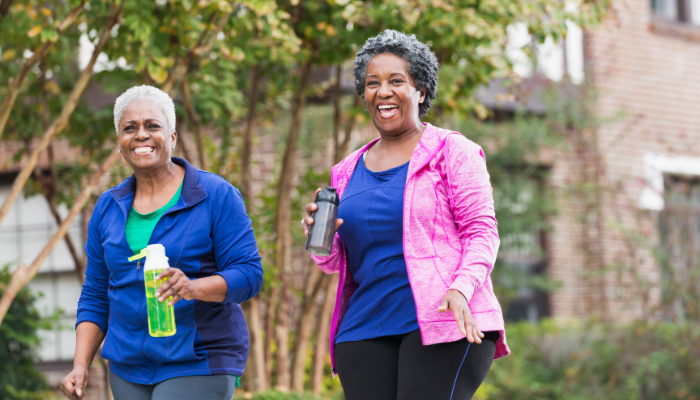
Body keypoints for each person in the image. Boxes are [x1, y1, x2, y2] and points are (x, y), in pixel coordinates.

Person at [303, 30, 510, 400]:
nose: (383, 91)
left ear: (421, 91)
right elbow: (340, 262)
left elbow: (482, 232)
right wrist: (322, 243)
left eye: (396, 81)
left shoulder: (453, 151)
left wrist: (461, 289)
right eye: (372, 83)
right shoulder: (345, 171)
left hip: (444, 318)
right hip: (363, 327)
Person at [60, 85, 263, 400]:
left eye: (152, 126)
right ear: (119, 142)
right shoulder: (108, 207)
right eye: (130, 128)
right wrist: (80, 364)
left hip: (198, 359)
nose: (141, 135)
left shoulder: (215, 195)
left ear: (172, 136)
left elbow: (250, 274)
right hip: (128, 368)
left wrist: (193, 288)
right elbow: (96, 295)